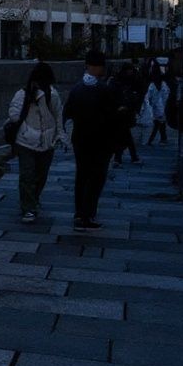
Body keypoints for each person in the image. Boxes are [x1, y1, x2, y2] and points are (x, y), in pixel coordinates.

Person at [62, 51, 120, 232]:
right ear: (99, 67)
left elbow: (67, 114)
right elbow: (112, 117)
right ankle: (87, 215)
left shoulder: (76, 89)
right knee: (96, 179)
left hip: (80, 140)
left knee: (82, 176)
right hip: (100, 142)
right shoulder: (104, 90)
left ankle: (80, 213)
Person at [9, 62, 68, 223]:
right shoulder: (23, 94)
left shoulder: (52, 95)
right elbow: (14, 115)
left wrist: (60, 135)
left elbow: (58, 115)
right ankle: (28, 207)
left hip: (46, 141)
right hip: (25, 141)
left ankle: (32, 200)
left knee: (41, 175)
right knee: (28, 174)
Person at [109, 63, 143, 167]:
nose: (131, 72)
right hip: (119, 112)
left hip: (126, 112)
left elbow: (137, 94)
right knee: (124, 135)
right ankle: (125, 158)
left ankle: (121, 158)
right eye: (129, 70)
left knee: (124, 135)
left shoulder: (131, 80)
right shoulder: (117, 81)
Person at [144, 68, 170, 145]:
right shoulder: (152, 86)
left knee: (159, 124)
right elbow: (148, 97)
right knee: (159, 124)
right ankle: (162, 139)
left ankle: (154, 140)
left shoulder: (164, 85)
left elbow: (167, 95)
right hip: (155, 108)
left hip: (163, 107)